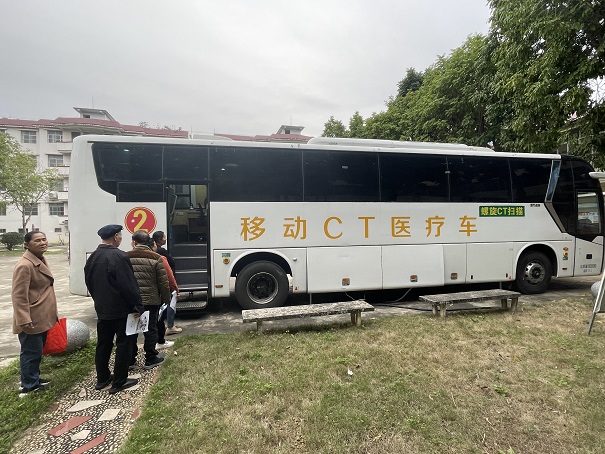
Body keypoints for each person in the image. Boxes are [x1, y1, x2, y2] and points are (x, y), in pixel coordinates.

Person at [84, 224, 143, 394]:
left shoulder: (93, 257)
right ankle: (119, 381)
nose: (121, 238)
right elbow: (128, 285)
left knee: (103, 344)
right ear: (116, 236)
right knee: (124, 343)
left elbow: (89, 282)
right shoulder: (119, 256)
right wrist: (138, 305)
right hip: (121, 309)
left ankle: (102, 379)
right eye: (121, 236)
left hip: (102, 308)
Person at [12, 231, 59, 397]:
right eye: (37, 241)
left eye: (44, 239)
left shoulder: (39, 259)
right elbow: (18, 296)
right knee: (30, 352)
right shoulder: (25, 265)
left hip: (41, 315)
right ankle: (29, 385)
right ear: (26, 245)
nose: (42, 243)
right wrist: (23, 318)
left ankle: (33, 378)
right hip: (31, 317)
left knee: (37, 351)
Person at [127, 230, 171, 369]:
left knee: (131, 330)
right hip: (151, 300)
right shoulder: (156, 258)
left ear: (134, 242)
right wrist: (167, 299)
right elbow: (163, 282)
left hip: (131, 301)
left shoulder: (125, 257)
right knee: (150, 329)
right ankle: (150, 358)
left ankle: (130, 360)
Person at [148, 237, 178, 349]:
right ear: (153, 246)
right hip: (155, 296)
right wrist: (173, 291)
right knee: (158, 319)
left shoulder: (130, 257)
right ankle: (160, 341)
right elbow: (167, 278)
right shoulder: (160, 258)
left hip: (139, 298)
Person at [152, 231, 182, 335]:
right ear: (160, 239)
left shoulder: (153, 252)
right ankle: (170, 326)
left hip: (158, 281)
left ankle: (160, 325)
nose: (166, 239)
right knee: (171, 303)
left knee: (161, 305)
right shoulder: (161, 251)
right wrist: (175, 286)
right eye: (164, 237)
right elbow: (171, 263)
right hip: (167, 280)